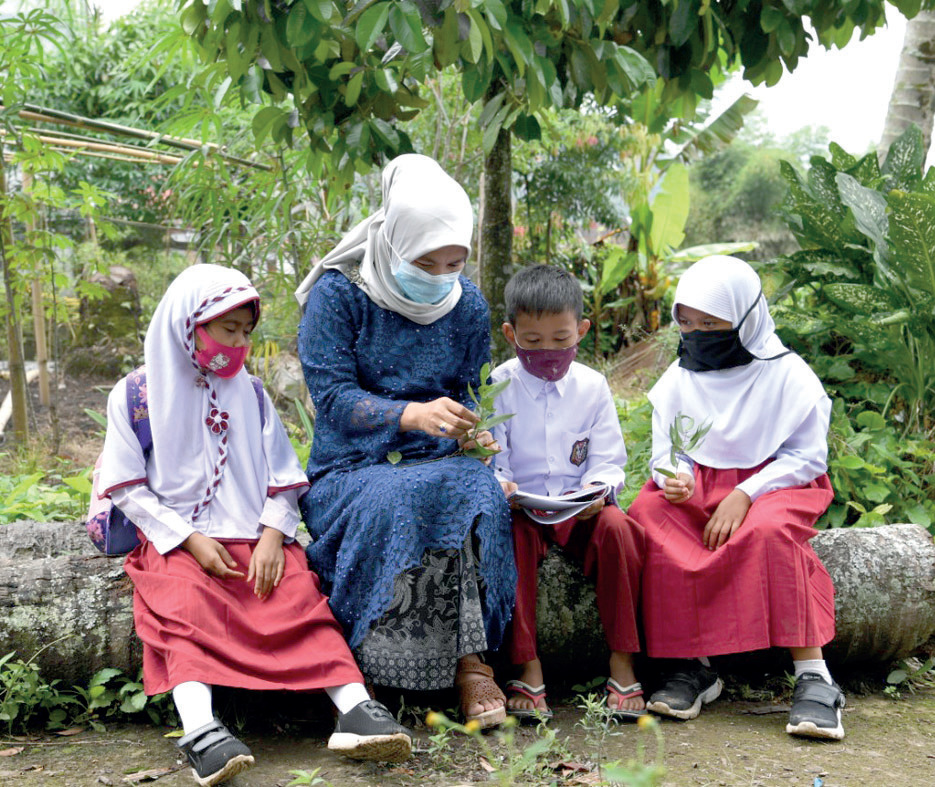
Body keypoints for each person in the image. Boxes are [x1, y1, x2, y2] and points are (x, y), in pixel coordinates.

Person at [98, 265, 413, 787]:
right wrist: (189, 540)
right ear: (189, 324)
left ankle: (356, 710)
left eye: (247, 332)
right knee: (182, 610)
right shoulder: (136, 395)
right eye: (229, 331)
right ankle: (202, 732)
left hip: (253, 535)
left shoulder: (253, 393)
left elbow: (285, 477)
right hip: (179, 540)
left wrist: (272, 534)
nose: (240, 344)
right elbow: (128, 486)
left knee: (299, 600)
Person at [294, 154, 515, 728]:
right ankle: (374, 673)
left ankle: (473, 666)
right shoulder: (338, 296)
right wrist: (410, 415)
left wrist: (476, 430)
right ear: (393, 242)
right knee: (400, 497)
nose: (441, 274)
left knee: (472, 487)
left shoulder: (466, 304)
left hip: (440, 457)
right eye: (426, 261)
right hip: (352, 466)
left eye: (455, 261)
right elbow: (334, 398)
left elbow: (475, 389)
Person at [628, 255, 845, 740]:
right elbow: (669, 451)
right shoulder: (681, 378)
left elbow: (807, 457)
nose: (697, 333)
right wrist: (674, 477)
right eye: (687, 322)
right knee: (647, 513)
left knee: (768, 533)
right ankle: (691, 666)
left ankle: (814, 676)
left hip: (775, 484)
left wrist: (747, 492)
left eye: (712, 323)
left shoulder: (788, 376)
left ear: (746, 319)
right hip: (700, 488)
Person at [489, 265, 646, 722]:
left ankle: (623, 662)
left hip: (581, 509)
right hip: (523, 508)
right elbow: (494, 461)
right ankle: (528, 667)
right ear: (510, 332)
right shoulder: (499, 385)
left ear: (581, 329)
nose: (548, 352)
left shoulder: (592, 386)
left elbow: (607, 460)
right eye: (532, 342)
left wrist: (598, 491)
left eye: (561, 339)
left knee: (619, 529)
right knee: (509, 538)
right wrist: (506, 487)